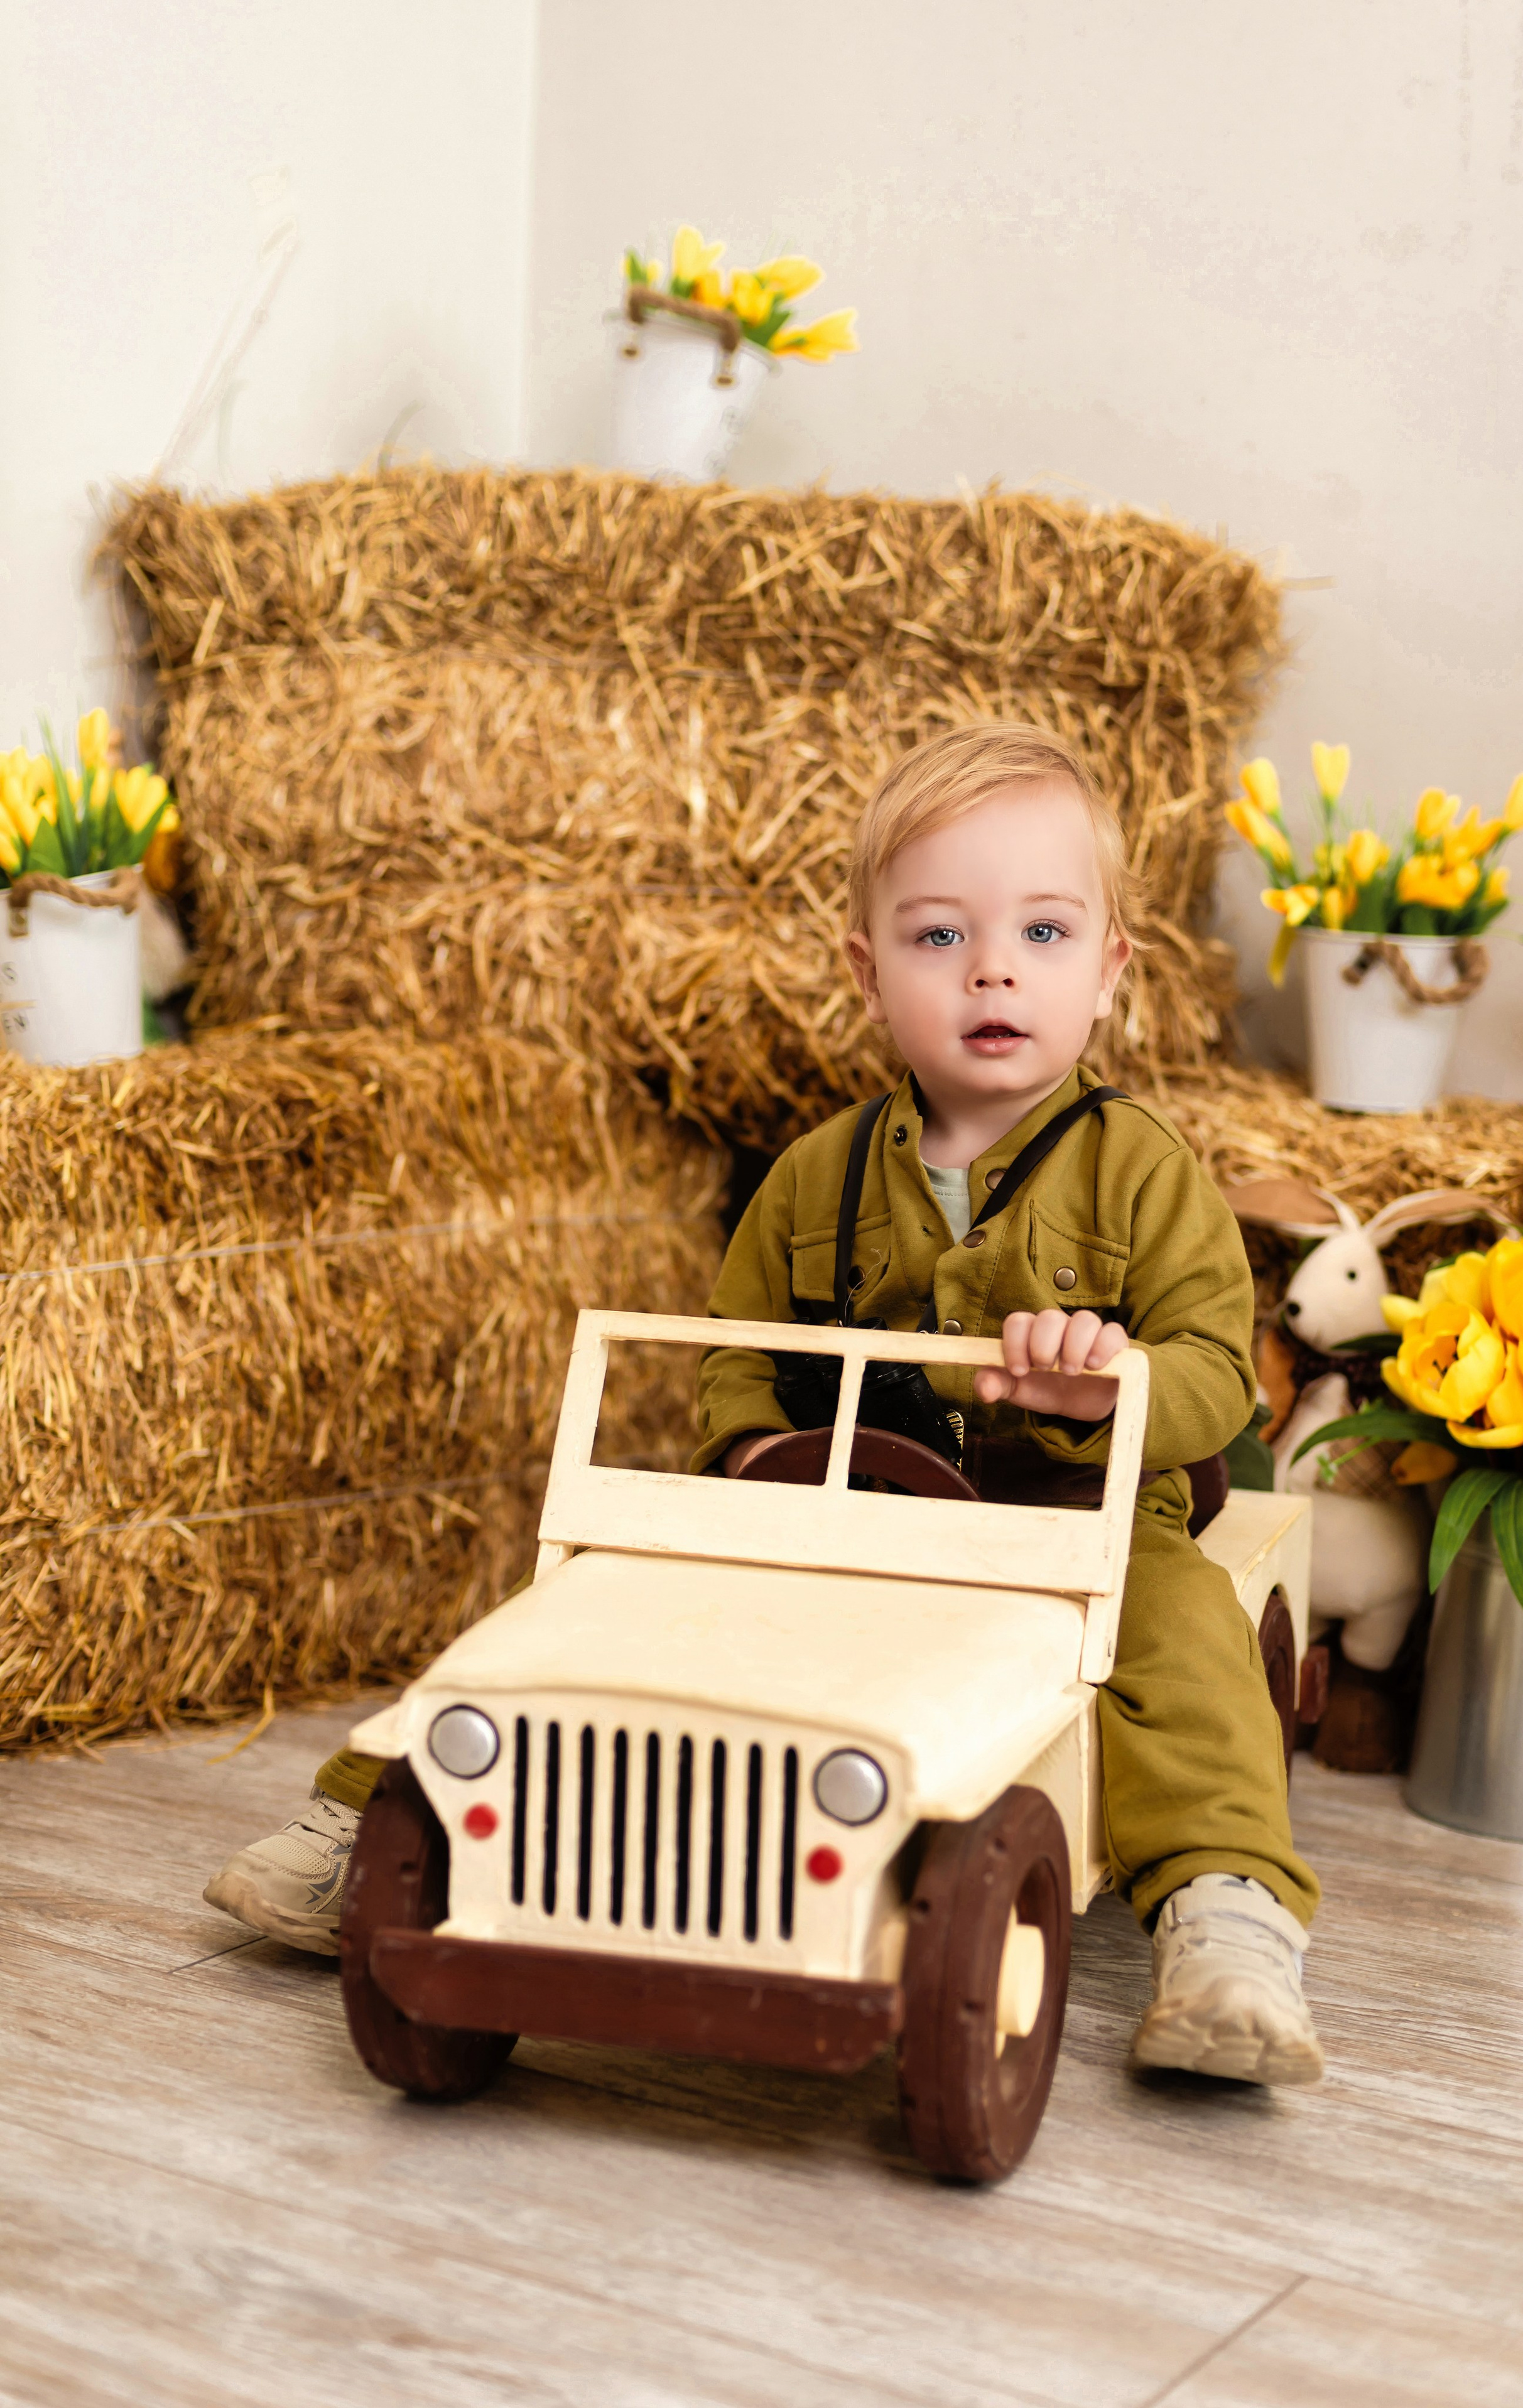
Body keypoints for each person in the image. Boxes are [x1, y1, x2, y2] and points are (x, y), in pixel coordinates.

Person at [205, 721, 1323, 2088]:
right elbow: (735, 1353)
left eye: (1041, 933)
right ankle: (389, 1812)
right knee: (600, 1600)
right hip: (844, 1514)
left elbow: (1213, 1373)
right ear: (867, 972)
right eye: (935, 937)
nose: (989, 969)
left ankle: (1223, 1906)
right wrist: (752, 1451)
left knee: (1178, 1632)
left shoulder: (1145, 1174)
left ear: (1107, 971)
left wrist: (1103, 1390)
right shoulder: (814, 1176)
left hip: (1069, 1523)